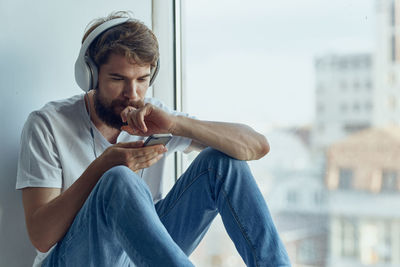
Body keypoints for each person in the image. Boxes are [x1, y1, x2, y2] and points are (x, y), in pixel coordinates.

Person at [16, 11, 291, 267]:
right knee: (119, 178)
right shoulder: (47, 124)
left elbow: (257, 146)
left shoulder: (155, 118)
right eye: (117, 79)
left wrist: (176, 124)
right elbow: (41, 236)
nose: (132, 94)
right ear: (89, 76)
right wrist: (103, 167)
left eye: (142, 80)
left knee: (222, 163)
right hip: (76, 258)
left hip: (142, 258)